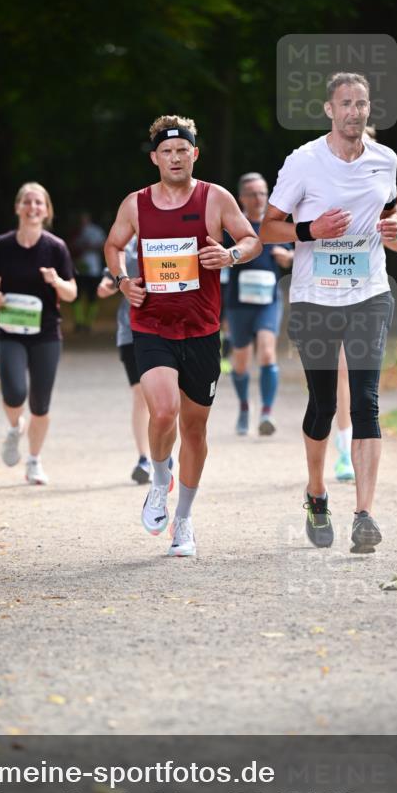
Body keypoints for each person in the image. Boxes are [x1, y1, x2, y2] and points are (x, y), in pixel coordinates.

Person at [104, 114, 262, 557]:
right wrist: (122, 279)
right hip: (151, 323)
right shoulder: (136, 204)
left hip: (202, 329)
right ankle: (159, 481)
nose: (175, 158)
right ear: (155, 158)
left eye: (182, 150)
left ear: (195, 153)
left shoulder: (215, 198)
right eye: (166, 152)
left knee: (194, 429)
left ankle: (185, 520)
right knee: (163, 411)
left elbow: (252, 240)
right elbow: (114, 245)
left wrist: (230, 255)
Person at [261, 72, 397, 554]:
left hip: (369, 293)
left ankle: (364, 514)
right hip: (314, 298)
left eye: (361, 103)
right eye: (345, 103)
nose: (354, 112)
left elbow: (394, 221)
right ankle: (317, 494)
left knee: (365, 401)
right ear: (329, 109)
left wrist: (392, 233)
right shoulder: (303, 161)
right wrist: (311, 229)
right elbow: (267, 230)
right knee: (323, 406)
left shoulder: (386, 160)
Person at [0, 182, 76, 485]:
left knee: (40, 402)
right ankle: (14, 428)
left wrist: (55, 282)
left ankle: (34, 461)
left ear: (46, 210)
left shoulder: (56, 247)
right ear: (18, 207)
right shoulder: (3, 245)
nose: (33, 207)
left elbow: (72, 292)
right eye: (27, 201)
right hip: (10, 330)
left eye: (39, 202)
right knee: (13, 392)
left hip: (46, 333)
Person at [333, 128, 397, 482]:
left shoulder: (385, 186)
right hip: (328, 289)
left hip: (367, 291)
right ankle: (341, 445)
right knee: (338, 371)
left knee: (355, 372)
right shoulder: (323, 178)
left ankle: (350, 451)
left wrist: (389, 233)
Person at [225, 172, 293, 436]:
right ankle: (244, 407)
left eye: (263, 193)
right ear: (242, 197)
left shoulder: (274, 224)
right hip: (239, 301)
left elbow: (292, 251)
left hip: (268, 300)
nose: (259, 198)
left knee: (266, 353)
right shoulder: (232, 225)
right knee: (241, 362)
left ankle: (266, 413)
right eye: (253, 194)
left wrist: (287, 256)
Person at [97, 235, 153, 485]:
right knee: (141, 394)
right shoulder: (125, 247)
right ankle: (144, 458)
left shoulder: (173, 236)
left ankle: (164, 453)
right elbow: (106, 283)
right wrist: (108, 285)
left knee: (167, 396)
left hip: (171, 329)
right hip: (131, 331)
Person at [71, 211, 106, 332]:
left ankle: (88, 324)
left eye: (84, 218)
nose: (82, 221)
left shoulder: (96, 231)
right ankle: (79, 322)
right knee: (77, 296)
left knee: (92, 297)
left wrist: (91, 247)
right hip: (79, 269)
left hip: (94, 269)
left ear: (88, 218)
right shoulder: (76, 231)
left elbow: (104, 247)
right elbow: (71, 247)